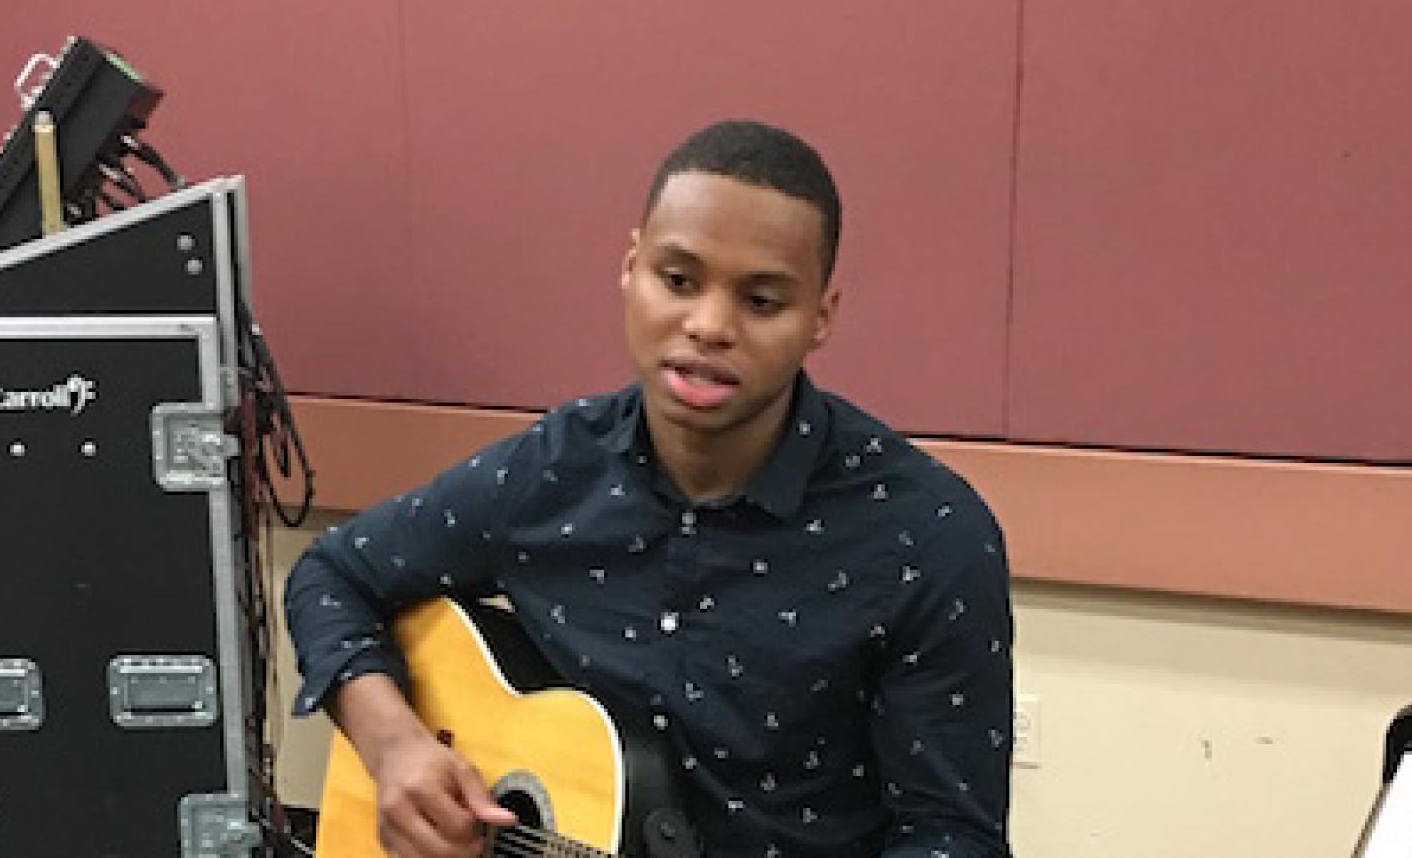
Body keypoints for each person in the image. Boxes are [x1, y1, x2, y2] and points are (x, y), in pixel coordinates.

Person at [285, 119, 1014, 858]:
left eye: (761, 301)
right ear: (630, 267)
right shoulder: (551, 471)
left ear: (820, 317)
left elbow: (951, 837)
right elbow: (332, 573)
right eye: (678, 280)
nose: (708, 326)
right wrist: (395, 746)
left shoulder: (929, 537)